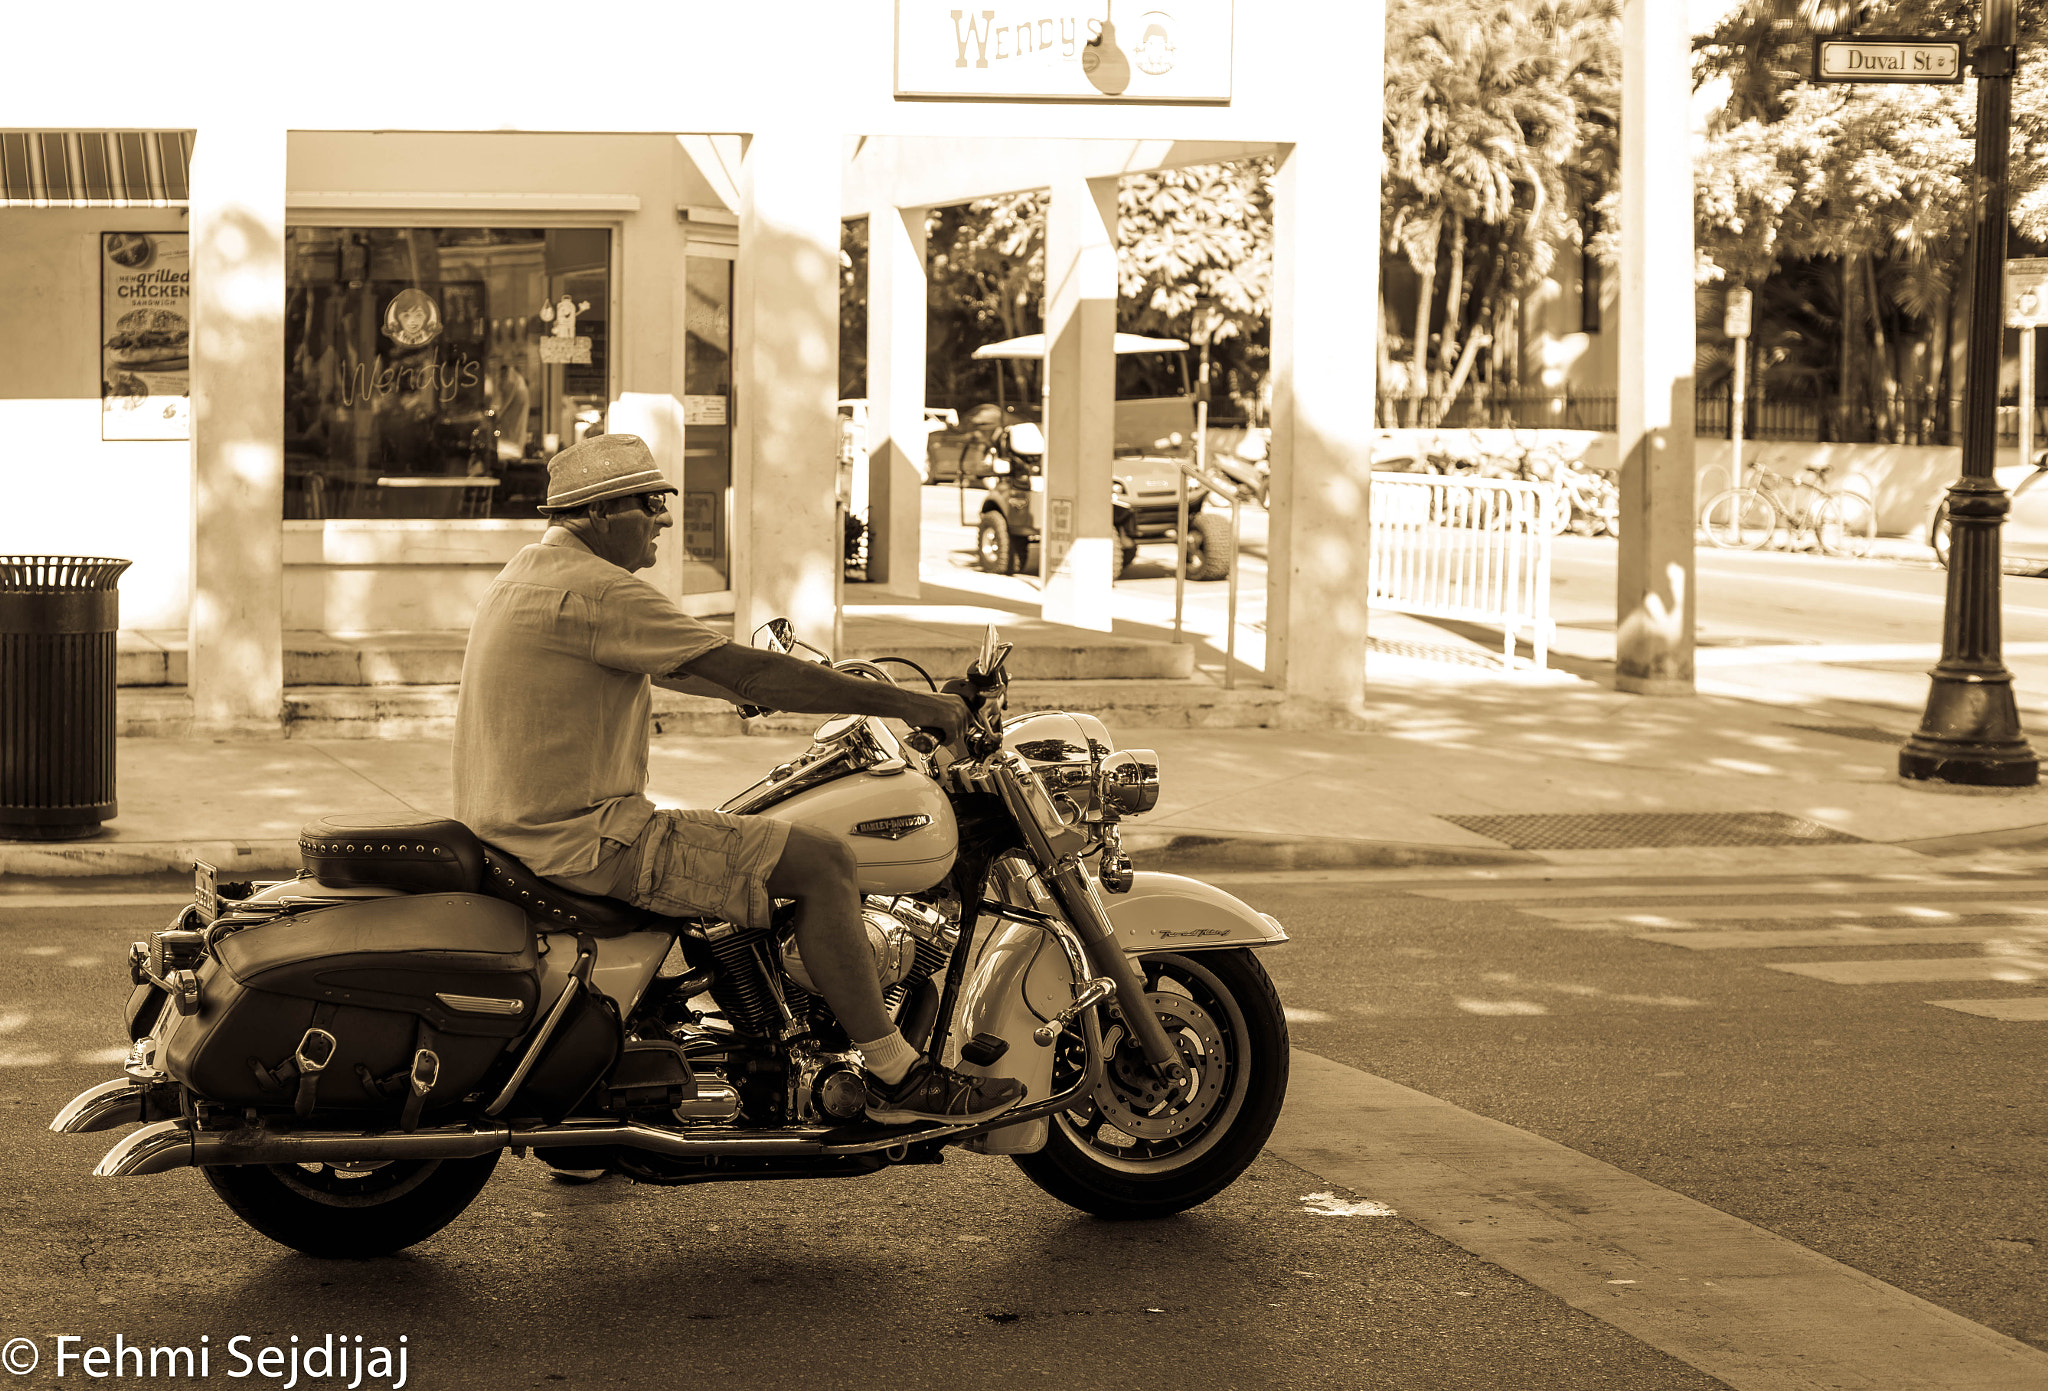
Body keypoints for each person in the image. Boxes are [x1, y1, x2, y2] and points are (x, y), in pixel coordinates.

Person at [453, 434, 1025, 1125]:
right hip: (589, 840)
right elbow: (747, 670)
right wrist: (913, 703)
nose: (664, 516)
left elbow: (690, 667)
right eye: (652, 501)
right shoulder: (601, 589)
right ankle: (899, 1075)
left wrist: (753, 690)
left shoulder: (529, 574)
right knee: (824, 862)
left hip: (520, 829)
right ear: (602, 513)